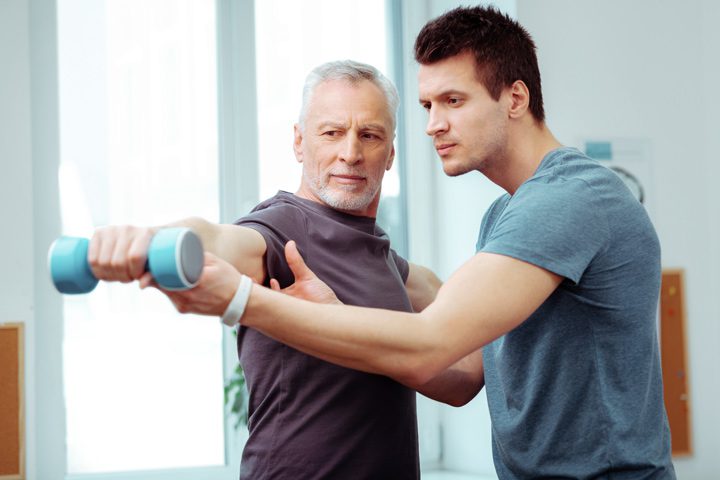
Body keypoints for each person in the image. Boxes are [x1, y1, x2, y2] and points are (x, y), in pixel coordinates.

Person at [160, 6, 676, 479]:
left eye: (453, 101)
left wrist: (243, 301)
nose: (433, 125)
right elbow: (468, 373)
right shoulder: (506, 213)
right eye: (428, 104)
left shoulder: (570, 198)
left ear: (515, 98)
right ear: (300, 140)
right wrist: (155, 243)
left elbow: (430, 347)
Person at [87, 60, 443, 479]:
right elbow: (217, 240)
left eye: (369, 135)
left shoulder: (385, 258)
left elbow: (458, 319)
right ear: (298, 142)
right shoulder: (282, 227)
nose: (350, 152)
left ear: (391, 153)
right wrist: (150, 239)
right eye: (331, 132)